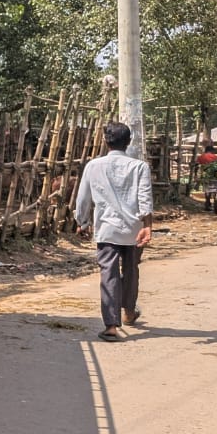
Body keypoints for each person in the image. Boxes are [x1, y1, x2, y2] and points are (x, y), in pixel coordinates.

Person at [75, 121, 154, 341]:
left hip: (107, 228)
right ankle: (128, 310)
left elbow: (83, 198)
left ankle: (111, 325)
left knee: (108, 274)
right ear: (128, 142)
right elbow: (145, 198)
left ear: (105, 141)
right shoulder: (140, 167)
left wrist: (82, 221)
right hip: (134, 229)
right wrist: (148, 226)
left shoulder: (93, 166)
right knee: (131, 270)